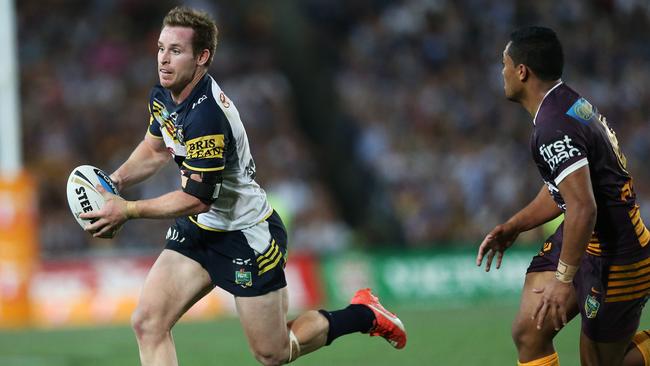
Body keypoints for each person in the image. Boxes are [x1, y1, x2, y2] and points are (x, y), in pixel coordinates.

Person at [80, 6, 406, 366]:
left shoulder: (206, 116)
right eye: (161, 48)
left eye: (176, 51)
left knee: (273, 353)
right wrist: (116, 181)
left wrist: (127, 209)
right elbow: (155, 147)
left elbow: (196, 199)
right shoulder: (165, 92)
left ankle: (363, 314)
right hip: (199, 231)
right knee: (147, 322)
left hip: (244, 236)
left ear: (202, 57)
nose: (163, 59)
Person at [476, 26, 650, 366]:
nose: (503, 72)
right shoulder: (565, 104)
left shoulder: (553, 125)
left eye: (504, 64)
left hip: (619, 255)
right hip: (586, 241)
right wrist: (515, 225)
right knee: (529, 331)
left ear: (522, 71)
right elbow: (565, 191)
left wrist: (562, 280)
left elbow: (583, 206)